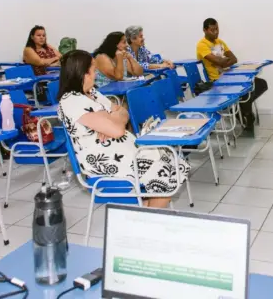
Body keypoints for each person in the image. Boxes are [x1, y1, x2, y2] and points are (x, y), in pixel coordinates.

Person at [57, 50, 189, 208]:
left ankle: (146, 210)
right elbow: (118, 130)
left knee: (171, 158)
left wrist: (110, 119)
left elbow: (123, 111)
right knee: (166, 171)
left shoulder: (91, 93)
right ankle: (148, 214)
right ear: (83, 73)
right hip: (104, 158)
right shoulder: (71, 101)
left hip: (122, 149)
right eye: (93, 69)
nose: (96, 73)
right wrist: (112, 120)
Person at [196, 18, 268, 137]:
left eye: (217, 29)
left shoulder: (220, 42)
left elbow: (234, 59)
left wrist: (223, 61)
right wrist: (223, 61)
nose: (216, 32)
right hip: (217, 81)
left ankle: (242, 109)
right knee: (246, 92)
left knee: (261, 84)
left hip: (229, 76)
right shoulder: (202, 45)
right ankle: (246, 115)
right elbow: (220, 61)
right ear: (205, 30)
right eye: (212, 30)